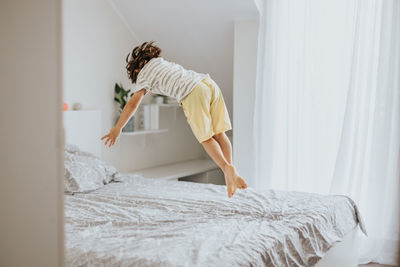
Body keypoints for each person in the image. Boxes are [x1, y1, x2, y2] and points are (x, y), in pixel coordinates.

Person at [101, 41, 247, 198]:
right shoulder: (158, 61)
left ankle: (226, 168)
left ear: (137, 69)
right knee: (220, 134)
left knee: (206, 138)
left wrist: (117, 128)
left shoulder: (142, 76)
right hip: (208, 83)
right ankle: (233, 169)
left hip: (192, 93)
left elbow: (132, 105)